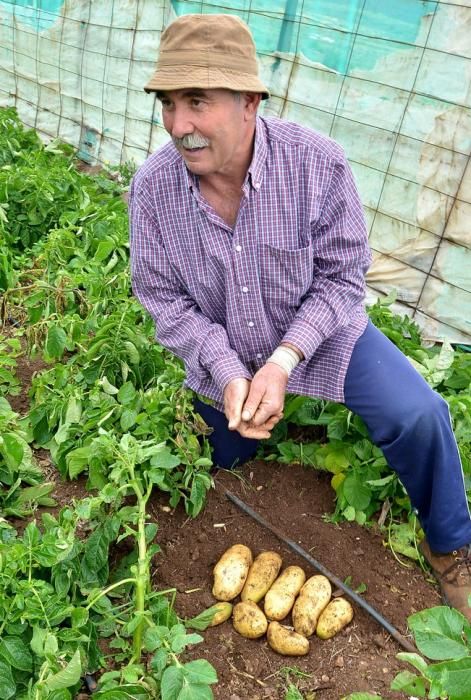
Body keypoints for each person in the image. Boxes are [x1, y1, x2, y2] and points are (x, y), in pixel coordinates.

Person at [129, 13, 471, 621]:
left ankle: (450, 545)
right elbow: (162, 298)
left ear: (251, 101)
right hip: (226, 345)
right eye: (169, 103)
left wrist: (285, 359)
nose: (179, 125)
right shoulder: (153, 190)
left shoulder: (318, 165)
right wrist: (229, 371)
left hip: (320, 336)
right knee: (215, 459)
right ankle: (247, 418)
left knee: (418, 413)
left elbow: (342, 280)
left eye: (198, 102)